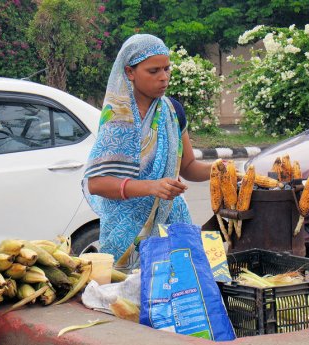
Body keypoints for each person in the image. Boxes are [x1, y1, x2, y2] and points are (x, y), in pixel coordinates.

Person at [83, 34, 212, 270]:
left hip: (170, 223)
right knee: (127, 297)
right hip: (125, 231)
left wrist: (219, 170)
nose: (164, 78)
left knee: (178, 293)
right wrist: (152, 187)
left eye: (166, 69)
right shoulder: (117, 117)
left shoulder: (173, 112)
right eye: (153, 71)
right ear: (130, 72)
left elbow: (189, 167)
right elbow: (97, 184)